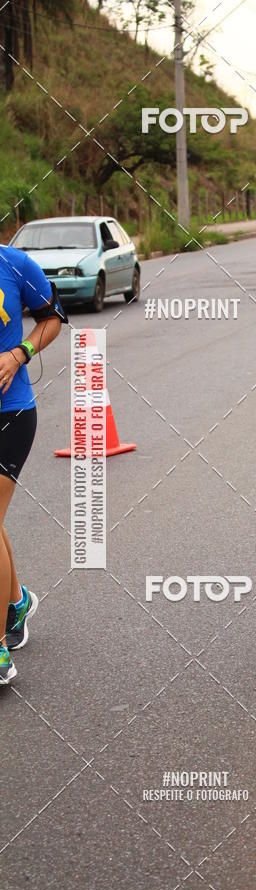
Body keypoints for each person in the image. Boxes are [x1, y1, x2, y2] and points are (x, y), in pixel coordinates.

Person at [0, 245, 67, 684]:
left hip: (11, 413)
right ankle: (16, 602)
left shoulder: (13, 263)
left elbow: (52, 318)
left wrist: (18, 353)